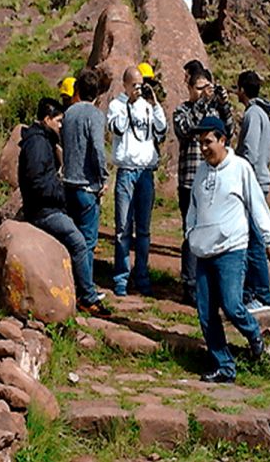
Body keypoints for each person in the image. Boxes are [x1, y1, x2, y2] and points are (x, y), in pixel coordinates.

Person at [186, 117, 270, 384]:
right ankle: (224, 366)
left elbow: (257, 204)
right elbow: (194, 206)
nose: (203, 148)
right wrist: (190, 232)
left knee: (231, 304)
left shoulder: (241, 168)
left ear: (223, 140)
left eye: (208, 142)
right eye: (200, 143)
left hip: (231, 249)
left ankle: (253, 334)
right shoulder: (202, 171)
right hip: (204, 250)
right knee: (205, 312)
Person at [18, 97, 110, 316]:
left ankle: (81, 289)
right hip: (43, 211)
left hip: (45, 207)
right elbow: (37, 182)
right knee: (79, 242)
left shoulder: (40, 140)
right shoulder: (38, 144)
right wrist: (62, 195)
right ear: (47, 119)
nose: (61, 125)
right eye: (58, 121)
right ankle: (87, 297)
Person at [172, 60, 235, 305]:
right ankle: (189, 285)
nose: (203, 92)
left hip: (215, 182)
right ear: (189, 87)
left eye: (207, 87)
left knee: (214, 231)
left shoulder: (215, 111)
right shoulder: (183, 110)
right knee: (191, 234)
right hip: (190, 182)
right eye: (199, 88)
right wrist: (202, 102)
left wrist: (224, 105)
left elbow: (229, 131)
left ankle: (211, 285)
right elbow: (186, 129)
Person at [107, 65, 167, 296]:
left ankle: (142, 276)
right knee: (123, 228)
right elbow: (118, 129)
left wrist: (155, 103)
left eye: (141, 85)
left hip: (145, 174)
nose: (138, 89)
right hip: (126, 172)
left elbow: (162, 129)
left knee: (143, 229)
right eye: (134, 85)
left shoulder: (148, 106)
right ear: (125, 84)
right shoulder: (116, 105)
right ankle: (121, 277)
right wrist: (128, 104)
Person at [61, 69, 108, 307]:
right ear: (97, 93)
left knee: (73, 240)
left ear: (77, 90)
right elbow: (98, 150)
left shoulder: (68, 113)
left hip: (68, 183)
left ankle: (73, 287)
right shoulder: (95, 115)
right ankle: (86, 293)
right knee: (87, 243)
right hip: (87, 186)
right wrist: (103, 178)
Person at [235, 70, 270, 313]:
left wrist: (239, 174)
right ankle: (252, 293)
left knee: (254, 240)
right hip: (262, 179)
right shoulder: (264, 113)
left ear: (242, 89)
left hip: (253, 183)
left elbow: (249, 151)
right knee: (253, 237)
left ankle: (260, 295)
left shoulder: (252, 113)